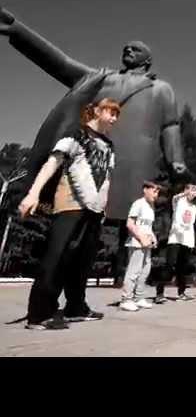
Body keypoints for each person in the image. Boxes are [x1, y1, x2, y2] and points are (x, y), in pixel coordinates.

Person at [0, 7, 188, 287]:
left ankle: (121, 284)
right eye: (126, 48)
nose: (128, 51)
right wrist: (18, 30)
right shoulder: (103, 78)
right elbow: (61, 63)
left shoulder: (161, 89)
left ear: (147, 60)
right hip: (95, 160)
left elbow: (171, 126)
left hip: (136, 161)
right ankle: (61, 294)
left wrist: (176, 160)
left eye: (135, 50)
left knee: (127, 221)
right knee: (81, 227)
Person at [18, 98, 121, 330]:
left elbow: (106, 177)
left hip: (94, 209)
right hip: (70, 204)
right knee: (58, 256)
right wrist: (33, 193)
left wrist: (104, 206)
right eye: (110, 112)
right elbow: (52, 163)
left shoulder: (109, 145)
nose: (114, 118)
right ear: (96, 110)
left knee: (82, 261)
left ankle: (76, 307)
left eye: (117, 114)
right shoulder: (76, 134)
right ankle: (40, 314)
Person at [155, 184, 196, 303]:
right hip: (175, 238)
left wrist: (192, 242)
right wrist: (186, 193)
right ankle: (159, 293)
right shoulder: (179, 201)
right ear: (186, 191)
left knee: (183, 267)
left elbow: (191, 224)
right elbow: (174, 198)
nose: (194, 194)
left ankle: (181, 293)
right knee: (169, 265)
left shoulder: (193, 207)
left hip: (187, 240)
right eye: (192, 191)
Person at [120, 181, 161, 311]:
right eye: (154, 191)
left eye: (158, 192)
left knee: (145, 271)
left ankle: (139, 298)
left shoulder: (151, 207)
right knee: (134, 271)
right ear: (145, 190)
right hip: (136, 243)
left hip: (147, 245)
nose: (156, 194)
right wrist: (141, 238)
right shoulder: (138, 204)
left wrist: (153, 238)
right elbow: (130, 224)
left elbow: (148, 227)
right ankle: (126, 300)